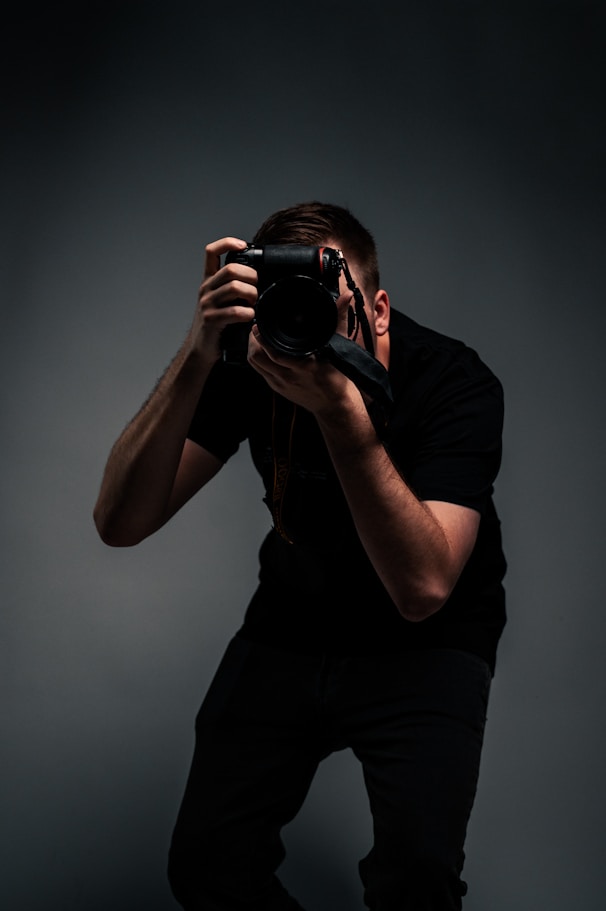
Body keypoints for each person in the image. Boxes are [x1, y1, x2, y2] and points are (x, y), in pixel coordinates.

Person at [93, 201, 506, 910]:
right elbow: (120, 521)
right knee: (206, 860)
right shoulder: (261, 358)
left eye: (327, 301)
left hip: (426, 641)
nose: (304, 322)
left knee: (416, 879)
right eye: (289, 301)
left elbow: (425, 586)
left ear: (377, 310)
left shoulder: (452, 381)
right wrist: (198, 350)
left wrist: (341, 414)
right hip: (293, 620)